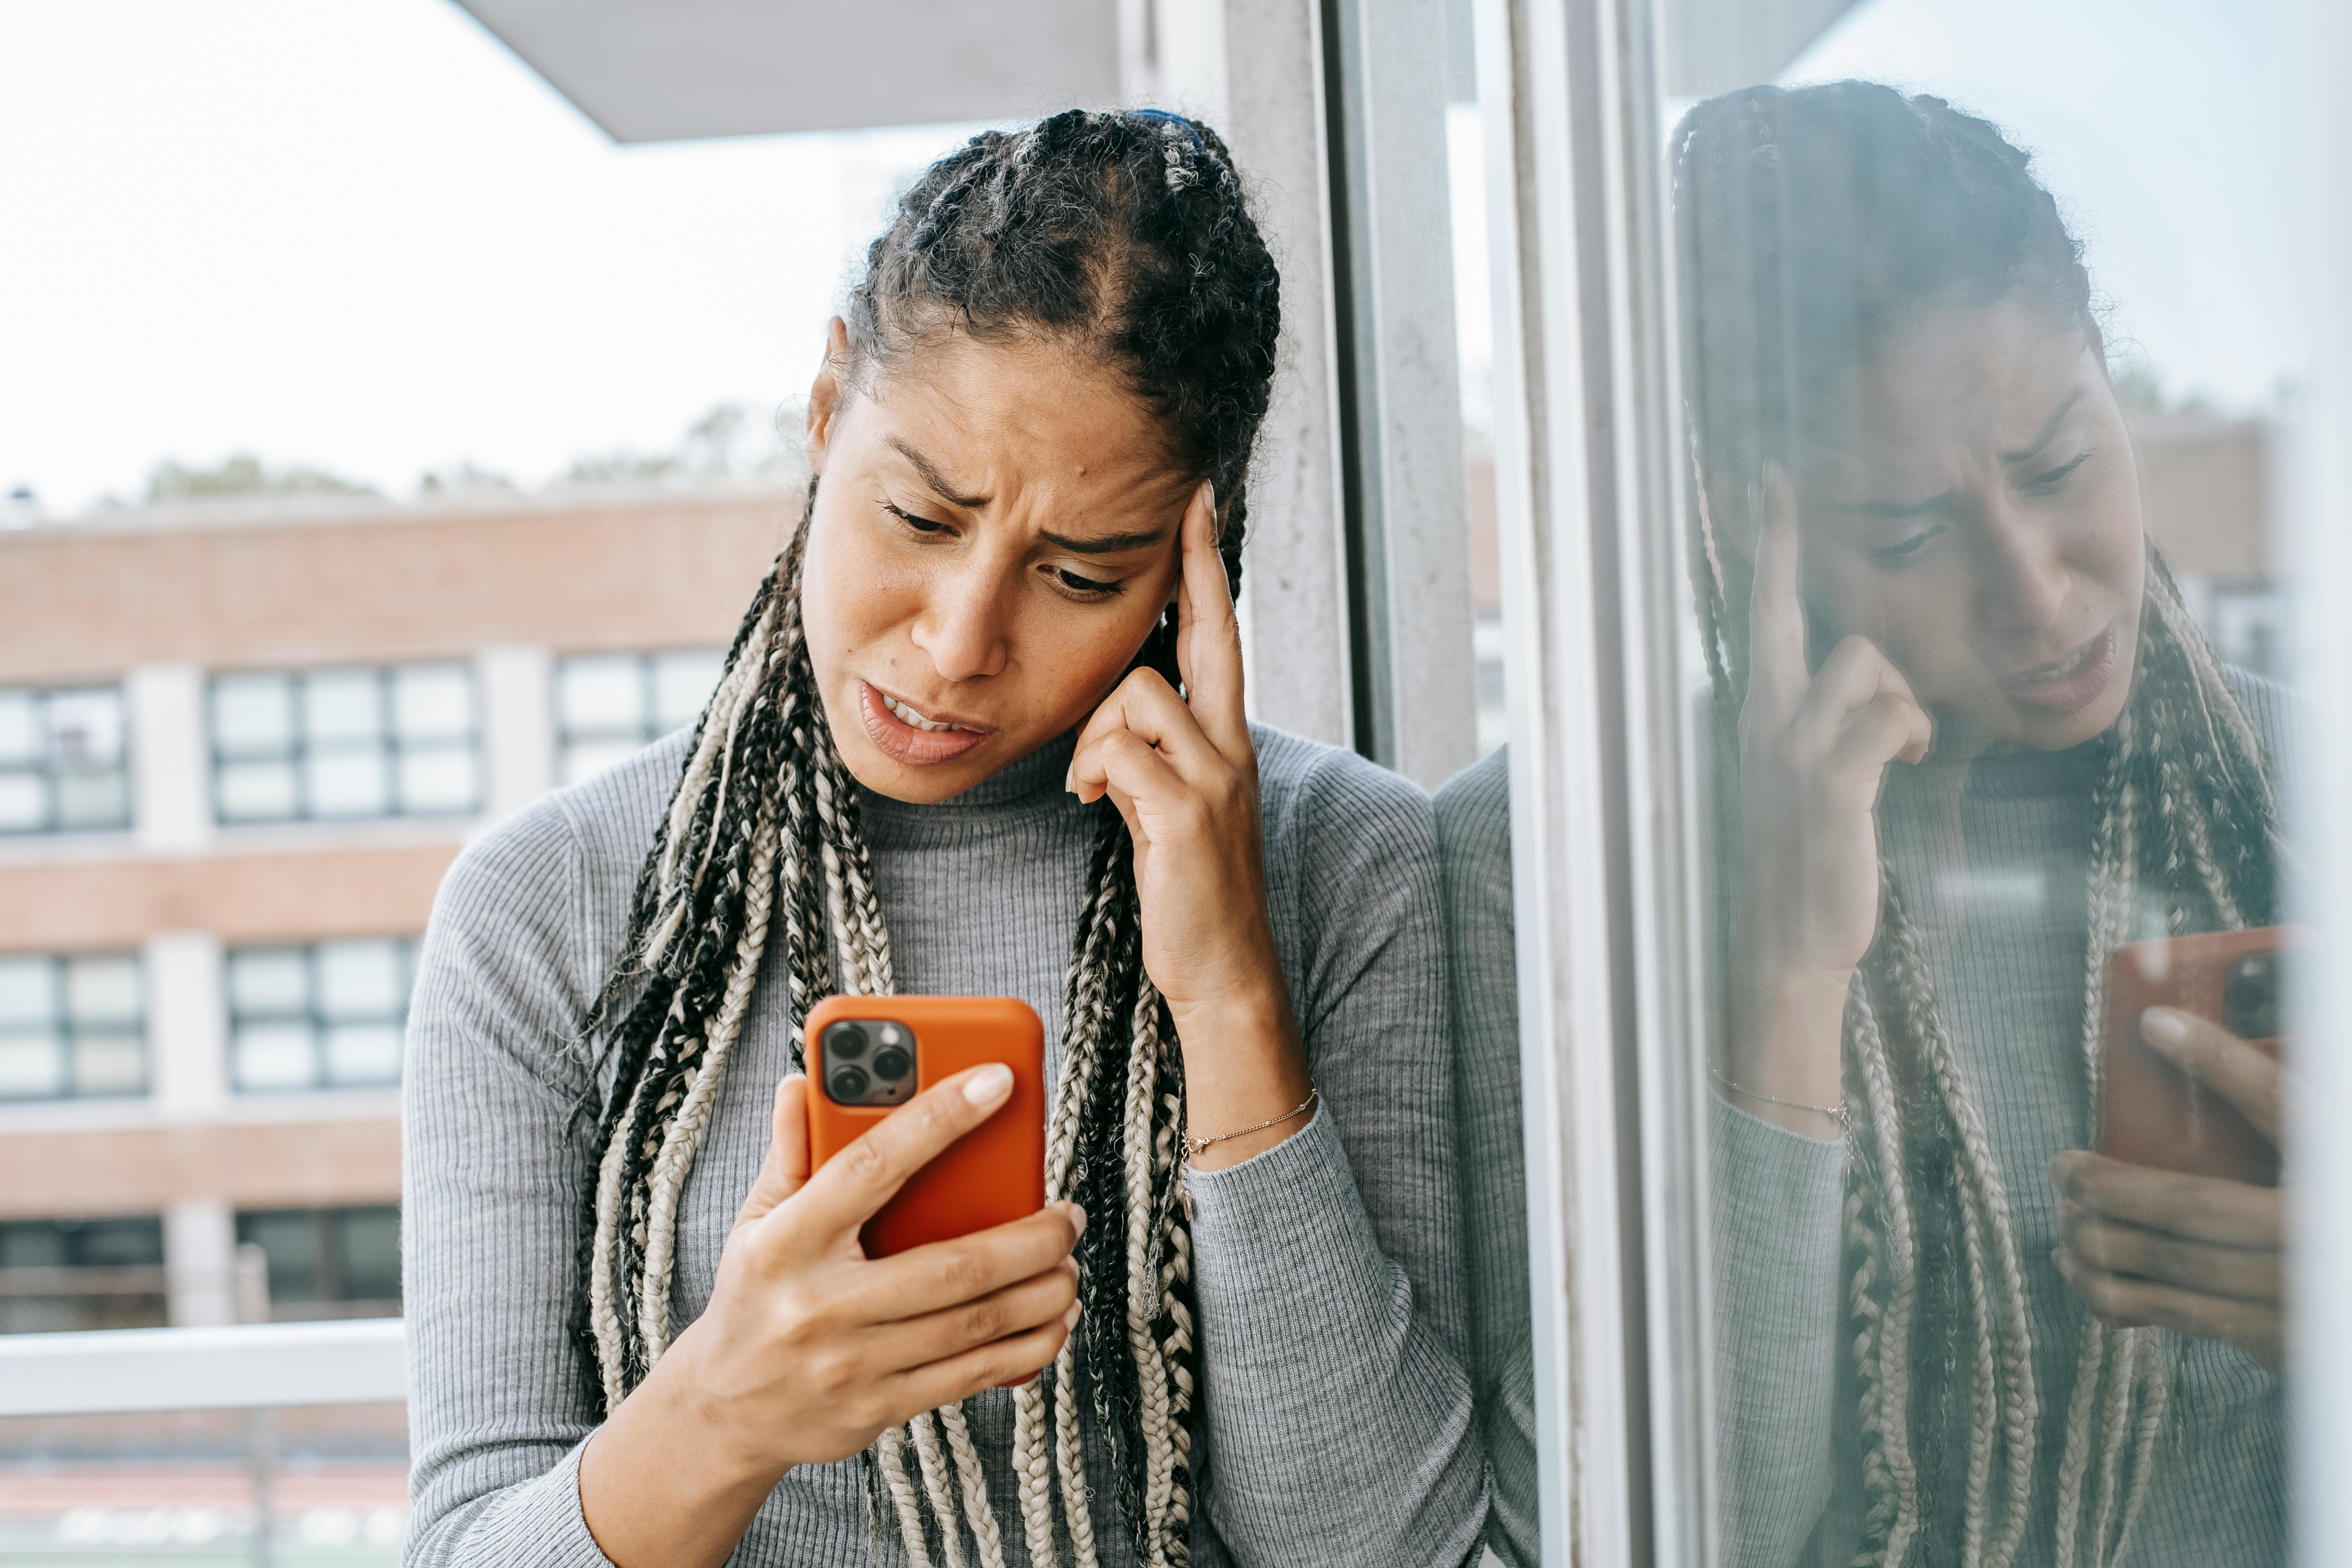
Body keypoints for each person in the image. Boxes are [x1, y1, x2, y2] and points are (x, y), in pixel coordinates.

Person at [400, 109, 1486, 1568]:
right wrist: (722, 1416)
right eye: (918, 517)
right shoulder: (552, 909)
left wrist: (1230, 997)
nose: (960, 644)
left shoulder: (1347, 866)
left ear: (1194, 554)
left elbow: (1385, 1552)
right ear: (827, 406)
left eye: (1079, 572)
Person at [1675, 82, 2288, 1568]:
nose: (2039, 590)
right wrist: (1785, 982)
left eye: (2063, 464)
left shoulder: (2301, 783)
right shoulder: (1603, 869)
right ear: (1767, 542)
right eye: (1909, 533)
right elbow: (1699, 1526)